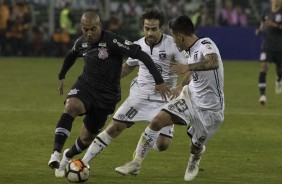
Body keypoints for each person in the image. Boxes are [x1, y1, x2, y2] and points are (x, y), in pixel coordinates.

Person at [54, 8, 188, 177]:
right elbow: (127, 67)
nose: (150, 32)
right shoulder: (138, 44)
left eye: (154, 29)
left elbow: (189, 69)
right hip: (139, 96)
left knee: (163, 145)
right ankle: (83, 162)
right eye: (147, 28)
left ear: (161, 28)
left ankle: (147, 141)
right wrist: (108, 79)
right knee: (114, 128)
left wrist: (179, 87)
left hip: (164, 99)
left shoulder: (173, 45)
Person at [114, 15, 224, 182]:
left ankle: (195, 158)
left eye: (173, 36)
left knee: (195, 146)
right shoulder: (187, 51)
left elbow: (213, 62)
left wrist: (186, 67)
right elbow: (193, 74)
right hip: (190, 97)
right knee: (157, 121)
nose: (172, 40)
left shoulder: (205, 44)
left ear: (180, 36)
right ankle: (136, 162)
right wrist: (181, 86)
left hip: (211, 108)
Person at [256, 0, 282, 105]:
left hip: (280, 47)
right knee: (263, 67)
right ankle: (262, 95)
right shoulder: (266, 11)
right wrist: (259, 30)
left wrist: (274, 24)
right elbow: (262, 23)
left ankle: (279, 78)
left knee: (280, 70)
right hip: (267, 46)